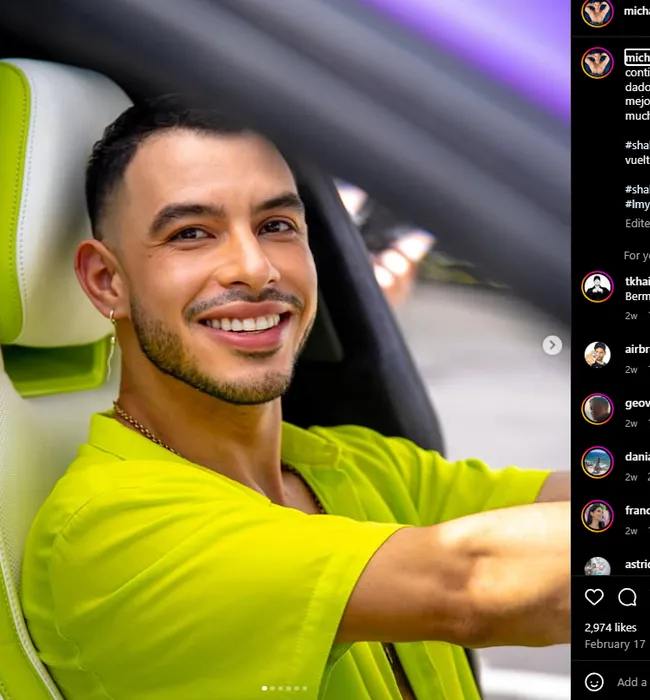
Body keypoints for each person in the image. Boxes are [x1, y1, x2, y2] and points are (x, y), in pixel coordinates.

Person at [20, 96, 570, 700]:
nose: (255, 268)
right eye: (191, 233)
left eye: (276, 226)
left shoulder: (356, 464)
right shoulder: (112, 534)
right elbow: (473, 585)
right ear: (108, 281)